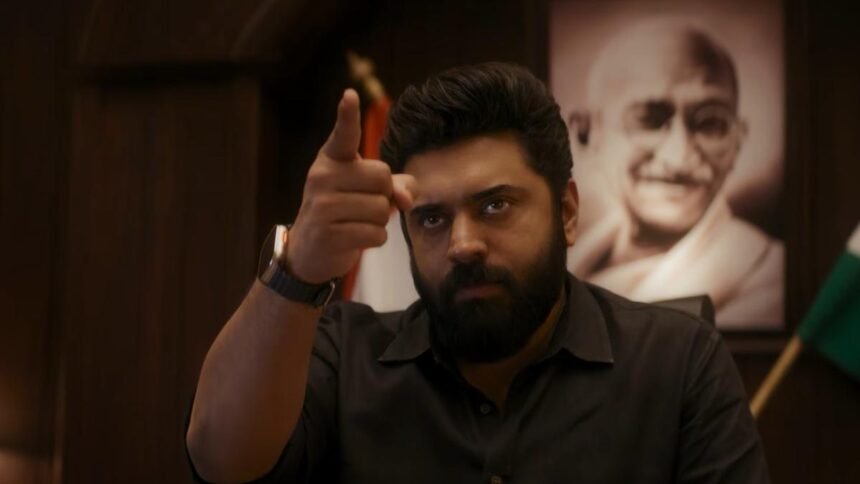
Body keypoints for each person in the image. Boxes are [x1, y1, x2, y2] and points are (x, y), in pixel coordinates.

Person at [185, 62, 770, 483]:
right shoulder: (347, 357)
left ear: (567, 213)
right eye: (432, 218)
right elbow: (219, 461)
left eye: (495, 205)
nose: (463, 245)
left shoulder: (677, 363)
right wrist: (299, 268)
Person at [566, 19, 784, 329]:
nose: (679, 156)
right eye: (649, 119)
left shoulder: (765, 277)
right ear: (586, 134)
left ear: (737, 141)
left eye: (710, 123)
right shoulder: (563, 265)